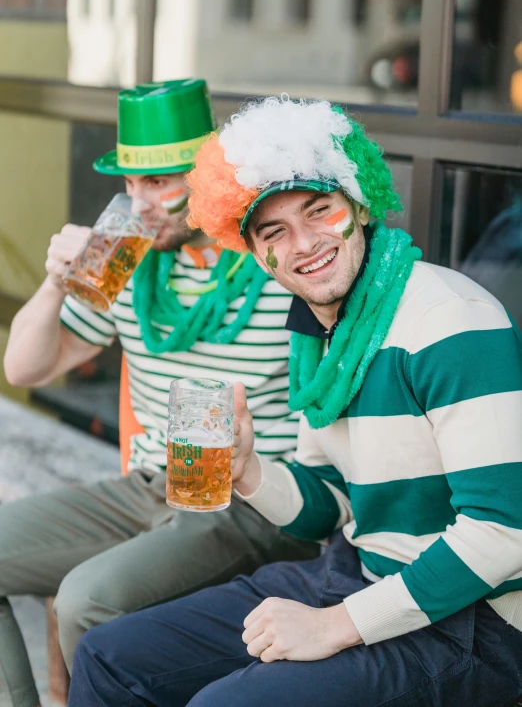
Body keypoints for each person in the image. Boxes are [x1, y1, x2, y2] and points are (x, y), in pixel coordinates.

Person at [69, 96, 522, 707]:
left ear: (359, 205)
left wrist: (335, 626)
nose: (304, 243)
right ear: (257, 254)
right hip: (353, 572)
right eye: (274, 231)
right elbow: (327, 503)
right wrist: (249, 472)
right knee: (109, 654)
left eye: (320, 210)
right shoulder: (316, 328)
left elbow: (504, 533)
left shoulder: (450, 319)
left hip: (475, 620)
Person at [0, 82, 317, 707]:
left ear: (209, 177)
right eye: (130, 185)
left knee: (84, 599)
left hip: (253, 497)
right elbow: (25, 369)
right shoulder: (130, 261)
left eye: (160, 184)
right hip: (153, 483)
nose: (139, 204)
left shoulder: (276, 262)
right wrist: (55, 284)